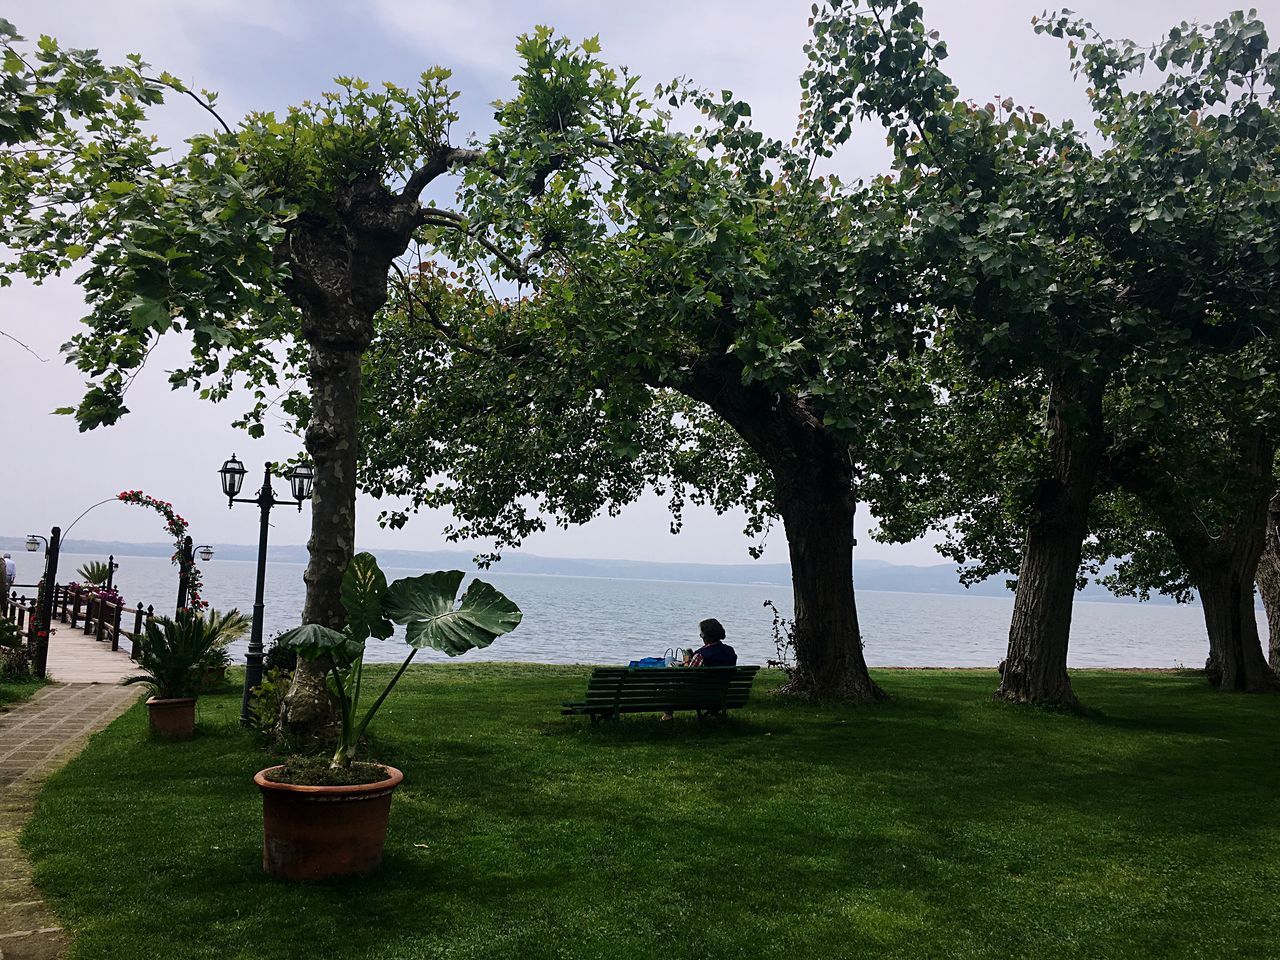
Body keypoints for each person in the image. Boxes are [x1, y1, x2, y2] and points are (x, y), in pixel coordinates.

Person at [661, 618, 737, 720]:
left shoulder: (700, 655)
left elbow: (688, 677)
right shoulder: (730, 651)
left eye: (701, 634)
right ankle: (714, 712)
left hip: (699, 694)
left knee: (670, 672)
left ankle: (668, 715)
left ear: (705, 636)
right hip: (722, 693)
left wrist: (687, 662)